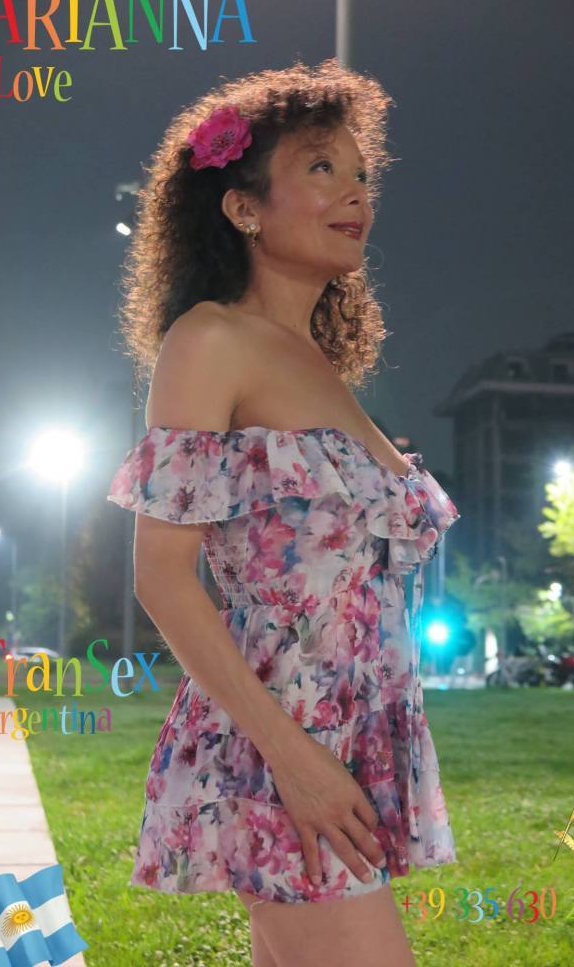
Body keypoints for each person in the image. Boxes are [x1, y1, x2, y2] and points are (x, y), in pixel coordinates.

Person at [107, 58, 461, 967]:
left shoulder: (319, 367)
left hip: (355, 734)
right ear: (242, 207)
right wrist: (294, 760)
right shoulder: (211, 339)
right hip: (280, 743)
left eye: (362, 174)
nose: (356, 194)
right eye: (321, 168)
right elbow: (162, 575)